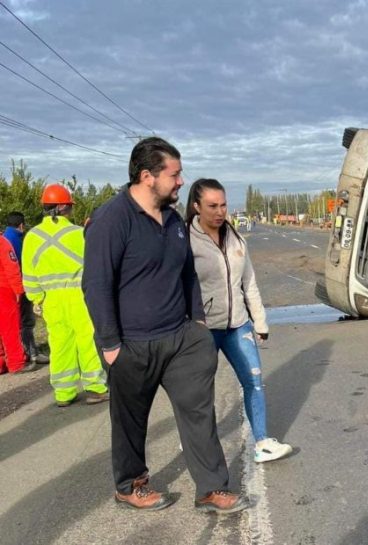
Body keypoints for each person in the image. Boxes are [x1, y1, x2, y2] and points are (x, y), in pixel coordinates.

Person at [82, 137, 247, 514]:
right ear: (147, 176)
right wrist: (110, 344)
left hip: (180, 339)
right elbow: (96, 284)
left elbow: (187, 274)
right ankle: (130, 485)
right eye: (174, 174)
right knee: (130, 422)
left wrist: (199, 325)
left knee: (198, 413)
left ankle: (211, 489)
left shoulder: (173, 220)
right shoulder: (112, 219)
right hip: (131, 344)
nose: (180, 181)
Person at [186, 178, 292, 463]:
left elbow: (250, 283)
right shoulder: (185, 240)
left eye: (223, 205)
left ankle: (262, 442)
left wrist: (260, 322)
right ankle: (197, 442)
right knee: (199, 392)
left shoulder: (236, 239)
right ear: (196, 207)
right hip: (202, 329)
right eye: (212, 206)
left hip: (238, 325)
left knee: (254, 381)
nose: (220, 212)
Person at [21, 186, 107, 404]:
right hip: (80, 298)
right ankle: (95, 388)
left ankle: (63, 393)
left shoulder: (32, 237)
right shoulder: (78, 233)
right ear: (61, 207)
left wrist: (36, 299)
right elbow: (95, 266)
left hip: (51, 302)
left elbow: (29, 274)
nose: (70, 210)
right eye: (68, 206)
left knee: (59, 345)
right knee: (88, 341)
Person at [3, 211, 49, 365]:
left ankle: (11, 356)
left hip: (6, 289)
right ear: (21, 225)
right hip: (17, 288)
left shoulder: (5, 238)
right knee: (26, 322)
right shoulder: (15, 240)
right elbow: (17, 267)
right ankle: (31, 352)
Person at [0, 232, 32, 374]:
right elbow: (12, 268)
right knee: (10, 329)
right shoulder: (2, 242)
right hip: (4, 290)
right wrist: (19, 290)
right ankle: (16, 363)